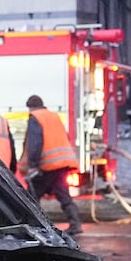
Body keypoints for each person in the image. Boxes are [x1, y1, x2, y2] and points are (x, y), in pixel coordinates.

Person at [21, 94, 82, 235]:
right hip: (61, 163)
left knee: (32, 195)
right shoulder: (54, 116)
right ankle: (75, 223)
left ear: (30, 107)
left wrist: (33, 164)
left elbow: (35, 143)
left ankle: (35, 225)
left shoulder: (35, 117)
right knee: (63, 194)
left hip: (47, 165)